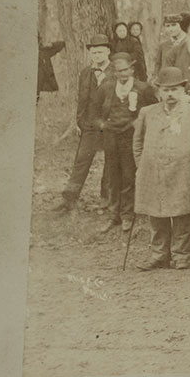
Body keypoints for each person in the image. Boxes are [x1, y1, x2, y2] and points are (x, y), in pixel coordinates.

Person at [133, 67, 190, 270]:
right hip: (153, 170)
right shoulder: (147, 113)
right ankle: (159, 254)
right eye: (166, 90)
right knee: (155, 211)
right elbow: (138, 141)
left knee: (181, 212)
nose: (170, 94)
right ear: (158, 91)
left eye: (175, 89)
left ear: (183, 90)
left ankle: (181, 254)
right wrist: (141, 165)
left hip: (183, 171)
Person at [97, 52, 157, 234]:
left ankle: (127, 214)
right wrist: (103, 125)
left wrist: (138, 124)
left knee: (129, 175)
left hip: (131, 137)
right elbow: (94, 112)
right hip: (111, 137)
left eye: (125, 70)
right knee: (112, 175)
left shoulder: (143, 88)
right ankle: (113, 214)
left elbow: (153, 111)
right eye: (118, 71)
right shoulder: (106, 88)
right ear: (114, 72)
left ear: (132, 69)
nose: (122, 74)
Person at [54, 34, 113, 212]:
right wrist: (80, 121)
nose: (97, 56)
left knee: (110, 163)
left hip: (110, 125)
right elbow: (82, 99)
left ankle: (107, 198)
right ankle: (69, 199)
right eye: (94, 53)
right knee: (81, 160)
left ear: (108, 52)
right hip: (89, 125)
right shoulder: (86, 73)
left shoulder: (117, 73)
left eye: (101, 52)